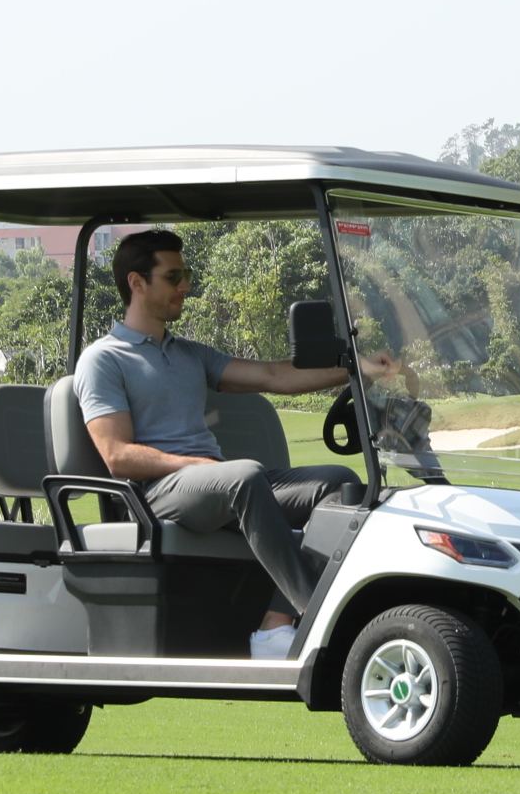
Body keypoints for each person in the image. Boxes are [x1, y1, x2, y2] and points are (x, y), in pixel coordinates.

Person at [74, 228, 361, 660]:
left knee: (338, 483)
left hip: (213, 484)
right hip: (156, 493)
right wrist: (193, 465)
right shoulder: (104, 359)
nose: (185, 286)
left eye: (186, 275)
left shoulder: (189, 354)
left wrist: (358, 369)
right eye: (173, 277)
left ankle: (277, 623)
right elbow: (118, 456)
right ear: (137, 283)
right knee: (243, 476)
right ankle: (322, 619)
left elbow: (273, 376)